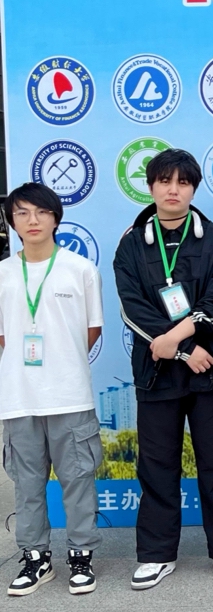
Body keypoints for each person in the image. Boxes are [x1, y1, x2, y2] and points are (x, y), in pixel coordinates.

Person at [113, 149, 213, 589]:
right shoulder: (131, 243)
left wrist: (181, 337)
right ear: (151, 186)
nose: (173, 190)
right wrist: (183, 350)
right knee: (157, 466)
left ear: (193, 188)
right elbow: (133, 310)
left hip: (209, 372)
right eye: (165, 181)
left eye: (183, 182)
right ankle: (156, 554)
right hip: (157, 373)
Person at [1, 182, 104, 596]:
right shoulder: (3, 274)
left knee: (78, 479)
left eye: (41, 212)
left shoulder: (80, 269)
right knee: (27, 485)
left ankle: (81, 556)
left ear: (55, 218)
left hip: (69, 394)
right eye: (22, 213)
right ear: (11, 221)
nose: (32, 220)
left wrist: (62, 362)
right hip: (18, 397)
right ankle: (36, 558)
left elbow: (92, 330)